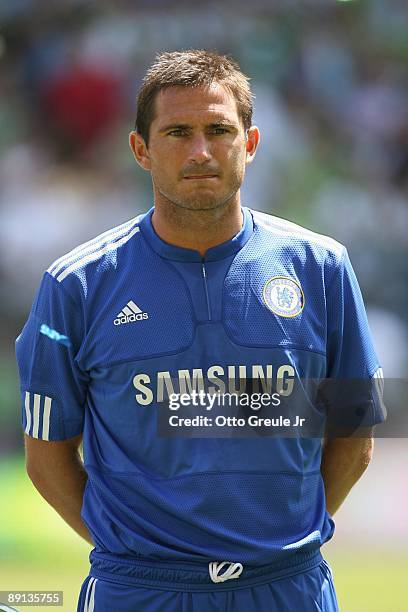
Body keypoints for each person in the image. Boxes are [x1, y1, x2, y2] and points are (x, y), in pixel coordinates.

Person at [16, 50, 385, 612]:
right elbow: (46, 454)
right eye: (177, 132)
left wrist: (281, 544)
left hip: (287, 587)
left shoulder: (322, 268)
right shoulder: (77, 285)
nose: (201, 151)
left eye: (219, 130)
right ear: (141, 149)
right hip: (139, 591)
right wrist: (133, 553)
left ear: (251, 143)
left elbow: (354, 433)